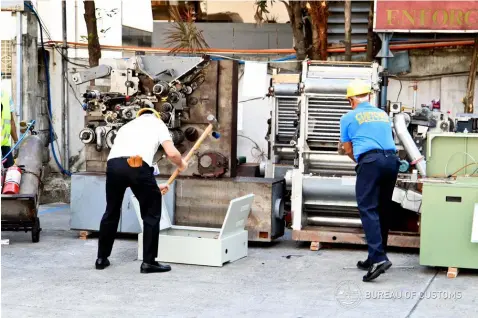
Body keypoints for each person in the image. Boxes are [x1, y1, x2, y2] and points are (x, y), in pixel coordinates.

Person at [95, 107, 187, 274]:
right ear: (157, 115)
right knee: (151, 213)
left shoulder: (126, 126)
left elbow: (127, 165)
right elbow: (172, 153)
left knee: (111, 211)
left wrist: (152, 186)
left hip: (114, 166)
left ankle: (101, 259)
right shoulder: (158, 124)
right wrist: (181, 164)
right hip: (137, 166)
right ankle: (149, 262)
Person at [338, 79, 400, 282]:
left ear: (350, 100)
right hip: (392, 161)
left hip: (371, 161)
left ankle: (379, 259)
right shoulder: (382, 114)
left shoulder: (348, 117)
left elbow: (347, 149)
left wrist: (362, 161)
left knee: (367, 208)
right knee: (382, 209)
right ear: (369, 96)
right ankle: (375, 255)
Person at [1, 89, 19, 168]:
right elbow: (11, 121)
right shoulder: (6, 96)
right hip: (4, 145)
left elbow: (11, 122)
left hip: (5, 145)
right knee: (10, 173)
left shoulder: (7, 96)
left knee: (10, 173)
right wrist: (16, 142)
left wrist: (16, 142)